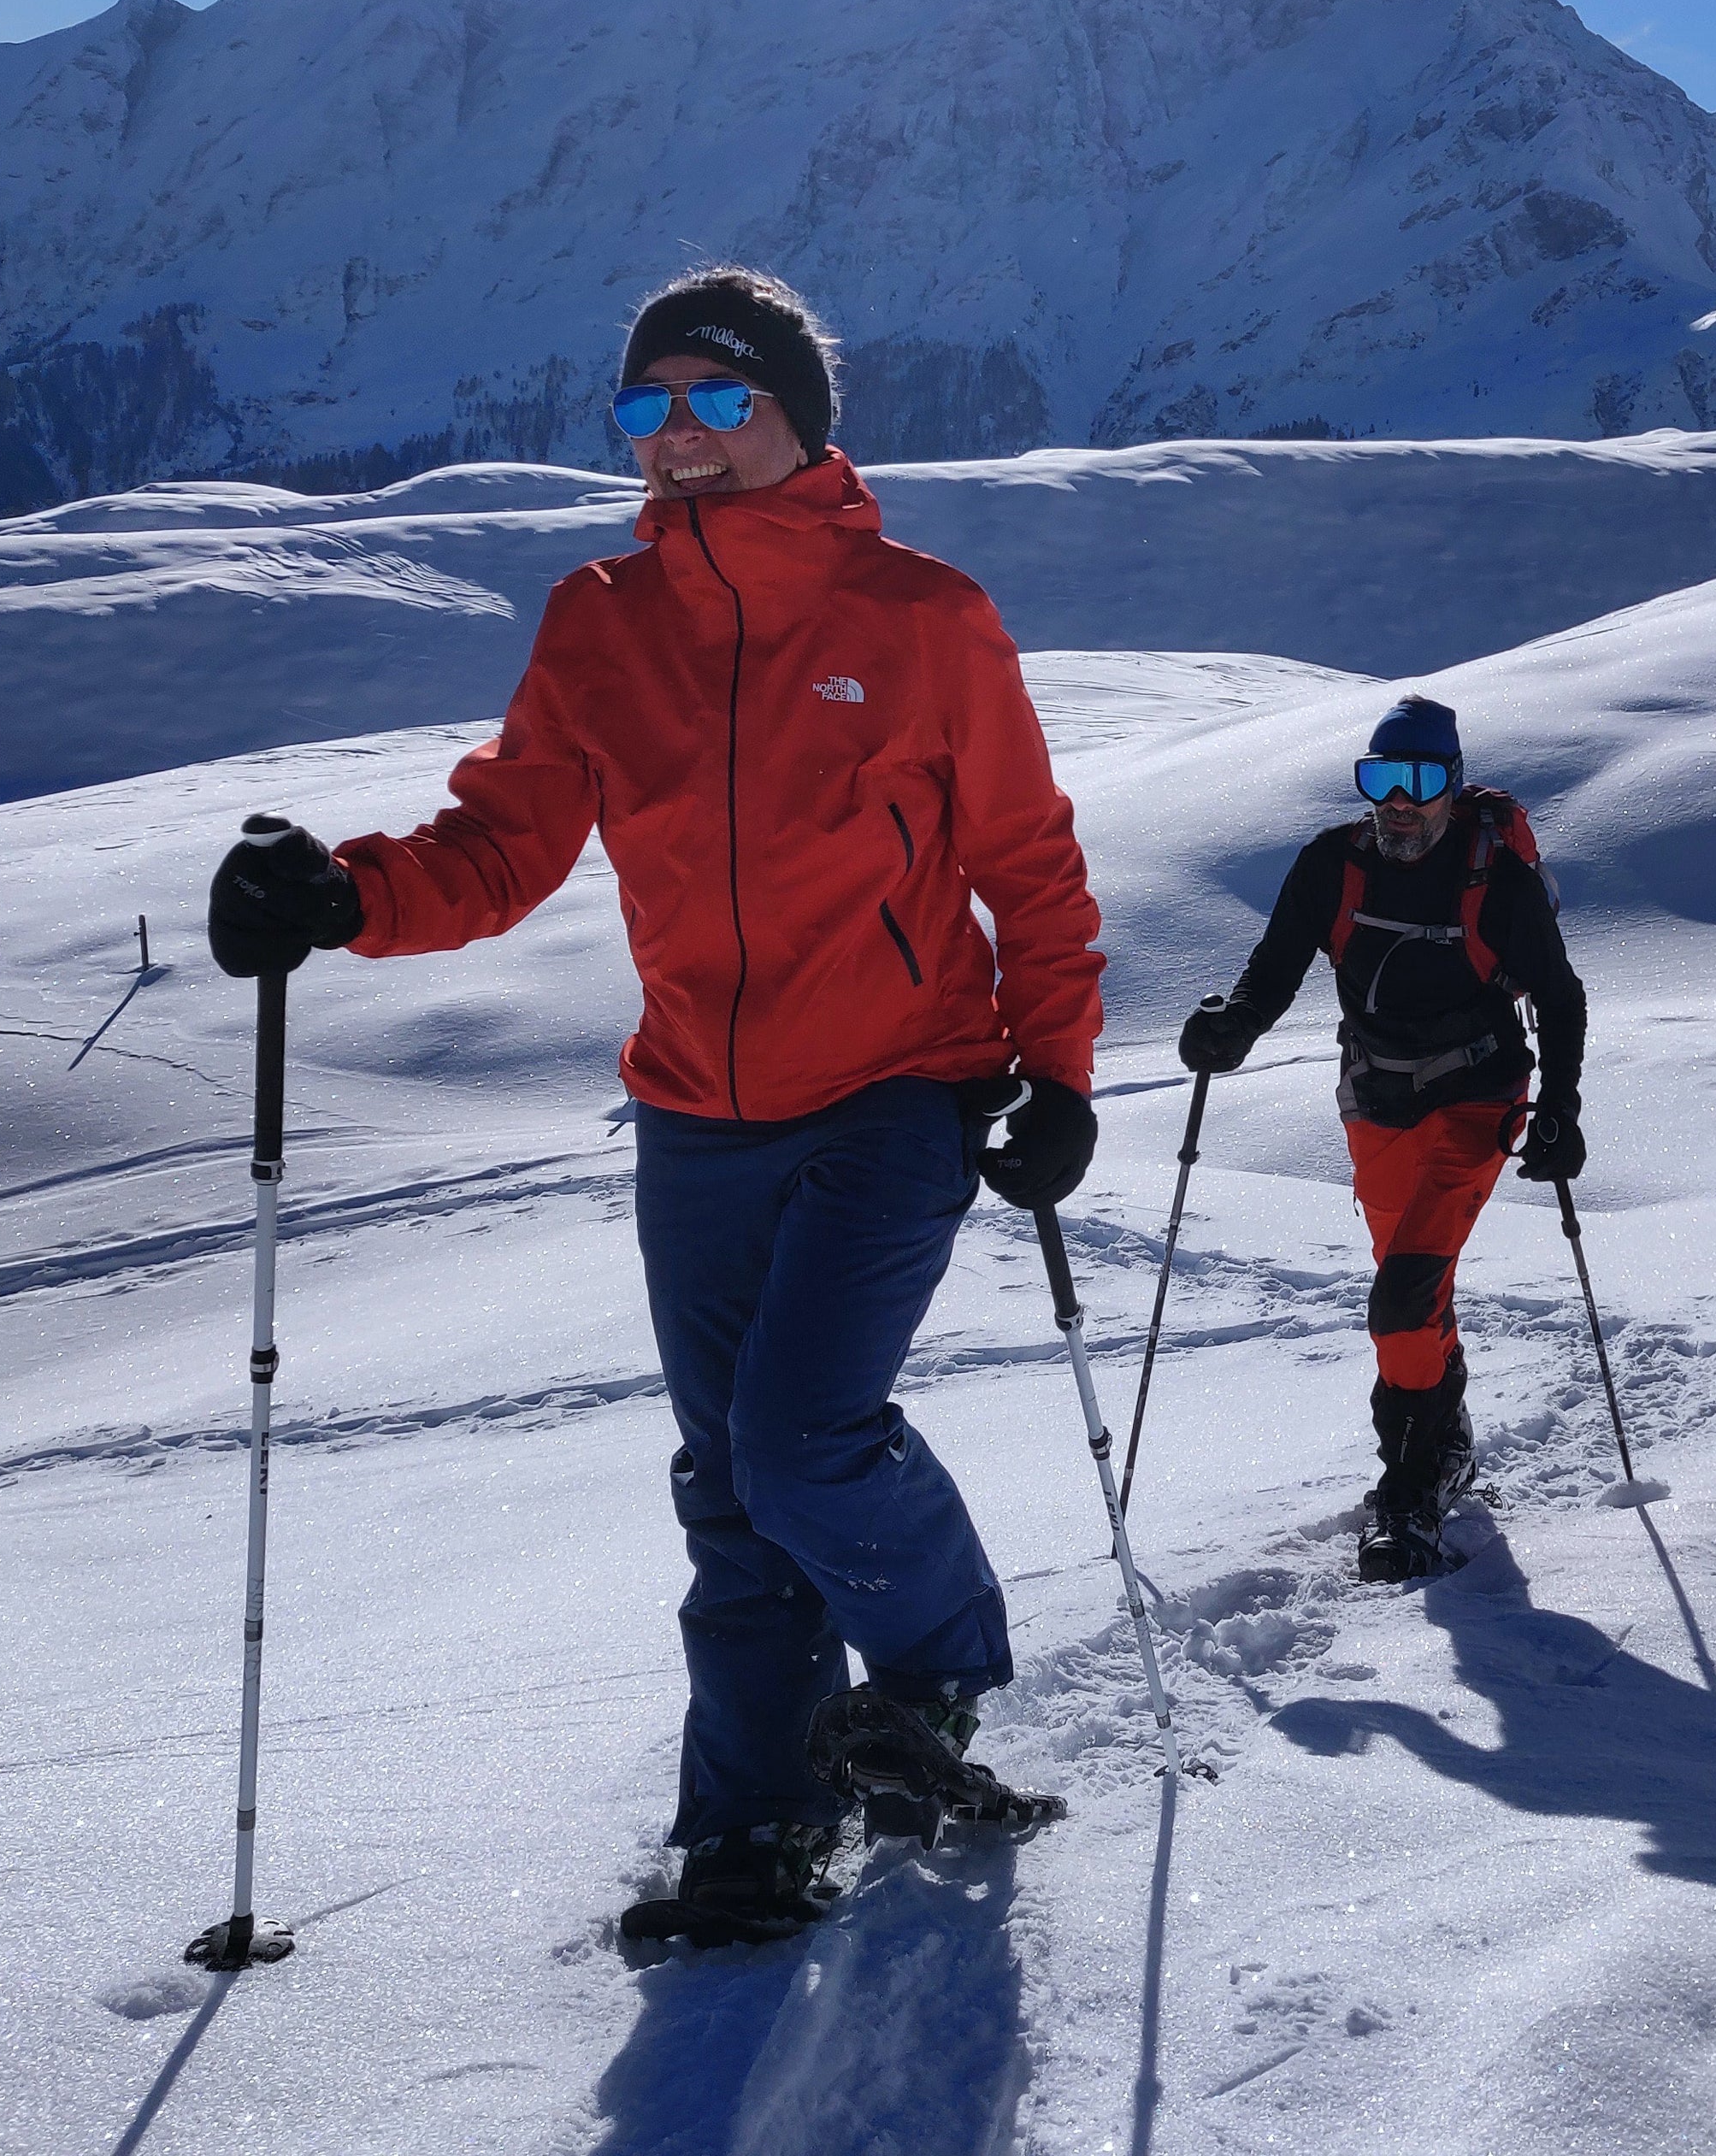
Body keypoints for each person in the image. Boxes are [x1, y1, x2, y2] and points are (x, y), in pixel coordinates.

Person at [204, 265, 1102, 1942]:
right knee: (727, 1483)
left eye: (716, 400)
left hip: (899, 1083)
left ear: (795, 418)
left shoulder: (922, 617)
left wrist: (1056, 1071)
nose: (678, 437)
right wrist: (341, 896)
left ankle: (933, 1671)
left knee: (799, 1436)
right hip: (695, 1107)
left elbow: (1026, 864)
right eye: (647, 406)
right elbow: (502, 845)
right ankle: (755, 1824)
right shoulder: (602, 622)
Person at [1176, 695, 1587, 1582]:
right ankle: (1446, 1435)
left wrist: (1561, 1105)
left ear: (1451, 783)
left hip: (1478, 1095)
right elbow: (1274, 969)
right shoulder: (1335, 864)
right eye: (1382, 779)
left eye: (1422, 779)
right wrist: (1234, 1025)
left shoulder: (1496, 881)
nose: (1400, 801)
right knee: (1414, 1285)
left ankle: (1407, 1493)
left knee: (1403, 1295)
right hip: (1376, 1099)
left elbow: (1560, 995)